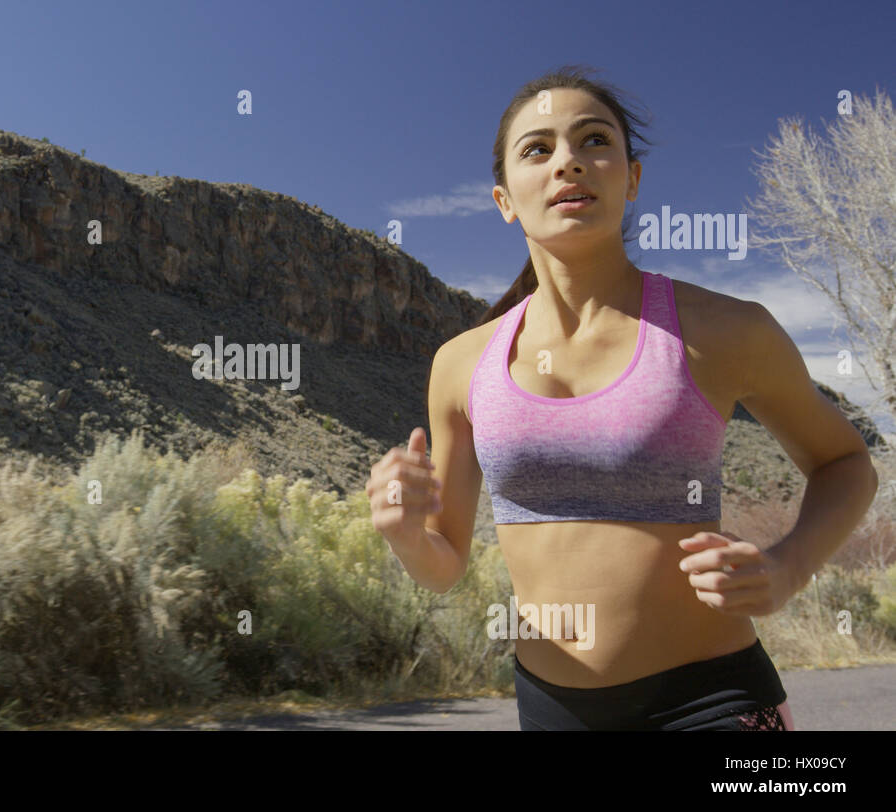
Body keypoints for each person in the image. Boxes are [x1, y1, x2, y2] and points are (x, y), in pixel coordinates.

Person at [366, 66, 880, 730]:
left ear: (631, 178)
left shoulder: (727, 330)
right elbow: (444, 562)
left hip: (712, 701)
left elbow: (846, 463)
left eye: (594, 142)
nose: (569, 163)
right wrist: (407, 536)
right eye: (538, 149)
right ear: (504, 199)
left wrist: (790, 566)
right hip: (552, 710)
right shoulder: (460, 364)